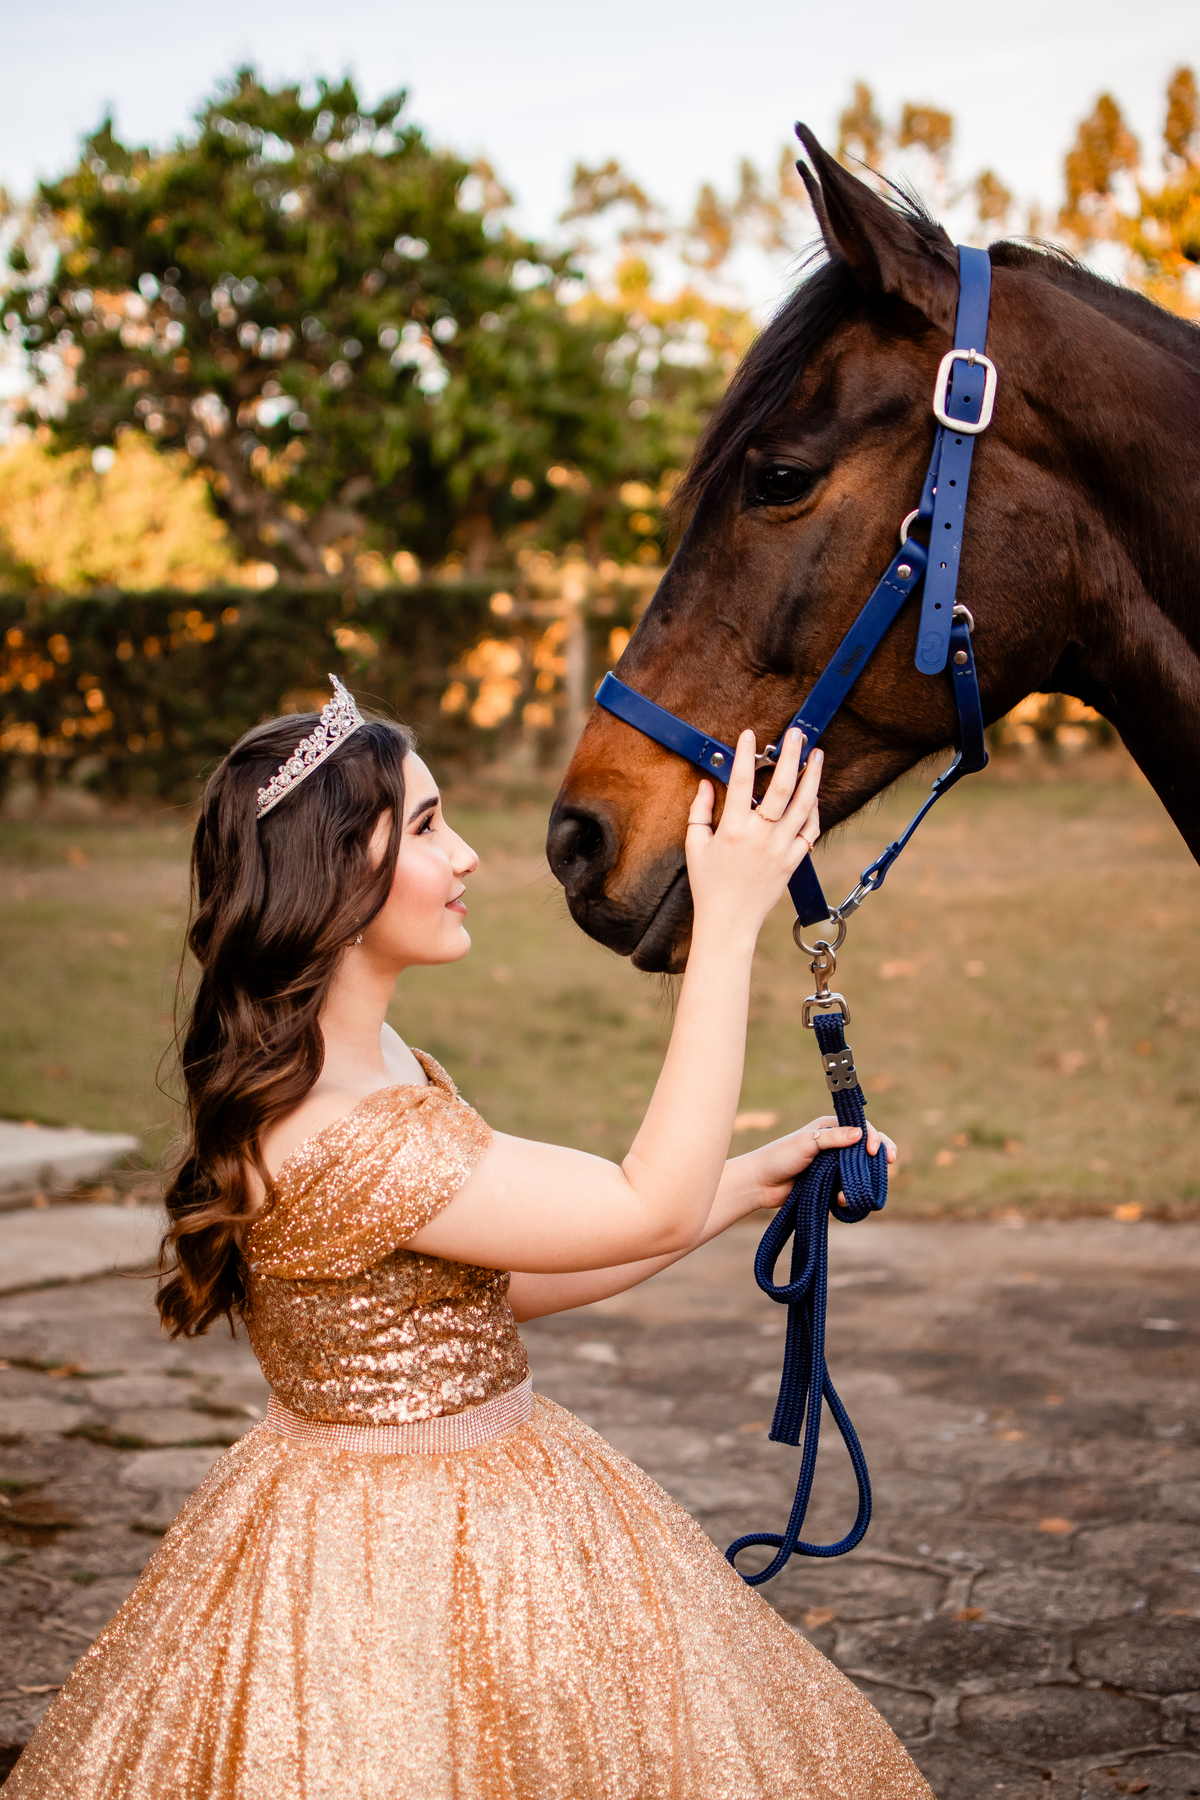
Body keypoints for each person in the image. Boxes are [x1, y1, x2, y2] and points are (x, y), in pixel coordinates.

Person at [7, 678, 930, 1800]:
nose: (471, 857)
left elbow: (492, 1290)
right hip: (400, 1552)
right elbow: (643, 1201)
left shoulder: (363, 1073)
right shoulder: (347, 1133)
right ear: (335, 877)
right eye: (430, 827)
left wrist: (747, 1181)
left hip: (428, 1482)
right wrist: (729, 924)